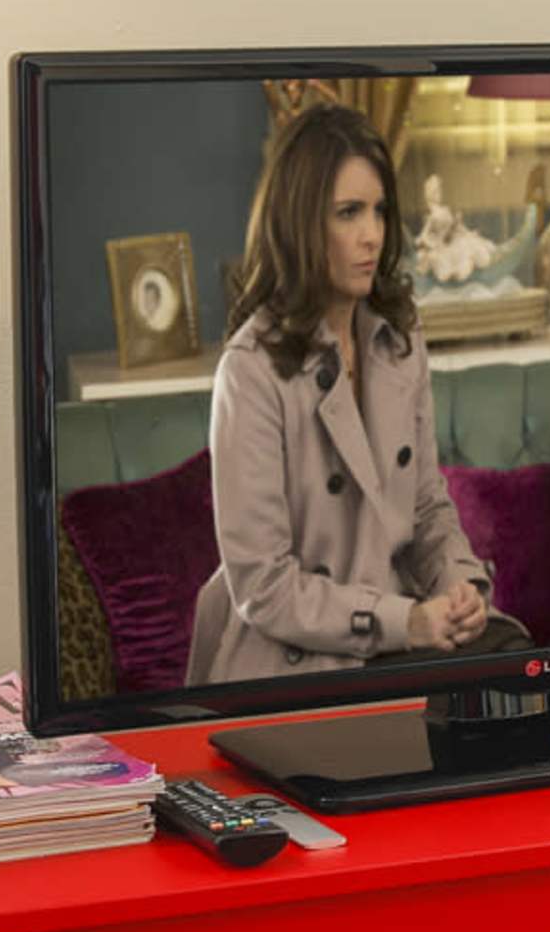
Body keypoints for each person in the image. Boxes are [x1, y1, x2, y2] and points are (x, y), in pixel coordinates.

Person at [190, 102, 507, 684]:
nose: (372, 235)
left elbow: (426, 506)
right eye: (348, 213)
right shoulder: (250, 369)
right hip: (291, 663)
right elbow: (263, 586)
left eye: (380, 211)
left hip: (397, 642)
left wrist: (459, 584)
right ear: (300, 225)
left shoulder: (399, 337)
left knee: (520, 674)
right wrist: (406, 622)